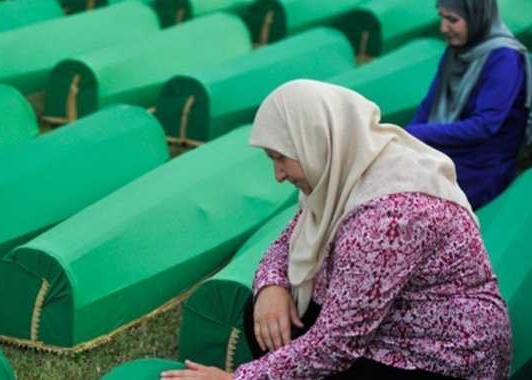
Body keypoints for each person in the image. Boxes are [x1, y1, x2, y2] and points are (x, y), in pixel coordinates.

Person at [160, 80, 511, 380]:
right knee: (265, 314)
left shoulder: (386, 216)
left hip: (440, 354)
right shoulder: (345, 169)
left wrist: (240, 378)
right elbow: (286, 242)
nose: (278, 175)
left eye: (281, 157)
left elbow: (339, 344)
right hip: (385, 325)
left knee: (306, 348)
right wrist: (270, 286)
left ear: (314, 140)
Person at [406, 0, 532, 210]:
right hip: (450, 148)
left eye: (452, 20)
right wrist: (406, 139)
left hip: (483, 164)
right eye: (442, 17)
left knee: (421, 201)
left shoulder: (504, 59)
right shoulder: (456, 50)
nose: (443, 28)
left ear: (477, 17)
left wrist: (416, 134)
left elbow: (484, 126)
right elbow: (429, 105)